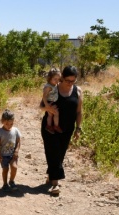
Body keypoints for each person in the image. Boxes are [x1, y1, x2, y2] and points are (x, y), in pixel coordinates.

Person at [40, 65, 83, 195]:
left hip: (67, 129)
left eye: (73, 81)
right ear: (62, 78)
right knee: (52, 151)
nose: (70, 83)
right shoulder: (53, 88)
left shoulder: (78, 91)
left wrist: (78, 128)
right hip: (50, 127)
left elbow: (79, 112)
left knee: (60, 154)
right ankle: (55, 183)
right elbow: (41, 106)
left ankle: (51, 176)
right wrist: (48, 109)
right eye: (67, 80)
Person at [0, 109, 22, 191]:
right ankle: (5, 184)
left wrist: (16, 151)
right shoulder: (0, 132)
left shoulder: (16, 130)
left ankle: (11, 181)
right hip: (3, 155)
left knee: (14, 167)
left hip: (13, 154)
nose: (9, 126)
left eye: (11, 124)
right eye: (7, 124)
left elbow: (18, 141)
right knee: (5, 169)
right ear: (2, 121)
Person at [42, 68, 62, 134]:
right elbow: (44, 97)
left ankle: (49, 126)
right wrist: (47, 105)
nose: (57, 81)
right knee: (56, 113)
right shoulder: (48, 86)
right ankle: (56, 126)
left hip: (52, 101)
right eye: (55, 79)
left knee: (50, 115)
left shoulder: (55, 85)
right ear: (50, 78)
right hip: (49, 102)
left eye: (58, 79)